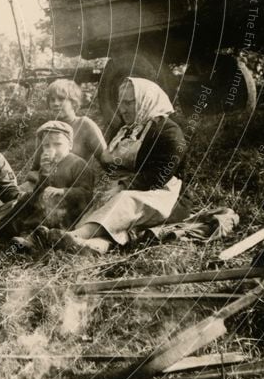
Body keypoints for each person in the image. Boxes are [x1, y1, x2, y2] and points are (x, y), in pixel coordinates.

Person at [58, 77, 187, 255]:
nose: (122, 109)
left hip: (162, 195)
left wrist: (122, 186)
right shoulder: (125, 130)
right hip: (124, 188)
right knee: (104, 207)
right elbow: (110, 161)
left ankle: (75, 236)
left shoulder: (168, 131)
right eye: (120, 103)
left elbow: (159, 175)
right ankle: (92, 246)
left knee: (124, 201)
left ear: (146, 100)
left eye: (129, 103)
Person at [0, 120, 94, 246]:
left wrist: (63, 191)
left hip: (68, 210)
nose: (52, 149)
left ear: (70, 145)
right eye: (46, 145)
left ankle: (30, 237)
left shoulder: (78, 164)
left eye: (57, 144)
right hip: (44, 208)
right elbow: (38, 193)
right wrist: (44, 173)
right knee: (24, 201)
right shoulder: (47, 166)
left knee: (45, 210)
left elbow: (86, 193)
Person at [46, 79, 107, 163]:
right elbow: (37, 167)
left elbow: (105, 158)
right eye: (52, 100)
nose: (55, 103)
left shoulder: (85, 125)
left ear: (73, 102)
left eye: (61, 99)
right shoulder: (49, 128)